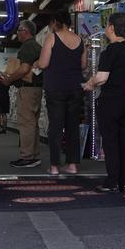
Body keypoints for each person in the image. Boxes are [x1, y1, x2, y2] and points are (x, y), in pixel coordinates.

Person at [84, 13, 125, 192]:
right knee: (124, 141)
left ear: (112, 27)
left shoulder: (110, 51)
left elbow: (102, 78)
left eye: (106, 26)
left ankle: (112, 181)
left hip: (110, 100)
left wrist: (90, 83)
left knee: (110, 142)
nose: (105, 29)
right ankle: (124, 180)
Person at [37, 11, 87, 175]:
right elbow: (83, 65)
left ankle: (54, 166)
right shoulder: (80, 40)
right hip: (75, 87)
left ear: (55, 22)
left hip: (56, 87)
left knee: (56, 127)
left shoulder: (52, 38)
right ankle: (72, 164)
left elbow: (44, 63)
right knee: (72, 126)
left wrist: (37, 62)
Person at [1, 20, 43, 168]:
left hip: (27, 89)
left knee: (26, 123)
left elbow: (24, 69)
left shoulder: (28, 46)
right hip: (35, 89)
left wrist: (9, 79)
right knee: (32, 123)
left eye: (19, 30)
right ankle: (33, 155)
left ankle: (27, 157)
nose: (17, 33)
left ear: (25, 31)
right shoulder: (36, 46)